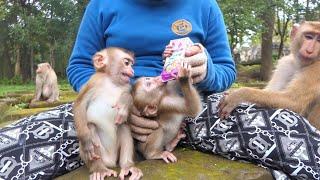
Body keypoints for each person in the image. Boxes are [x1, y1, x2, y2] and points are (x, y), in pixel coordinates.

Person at [0, 1, 317, 180]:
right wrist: (117, 105)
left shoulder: (204, 6)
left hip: (190, 111)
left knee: (293, 134)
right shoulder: (102, 5)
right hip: (109, 115)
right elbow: (80, 65)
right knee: (12, 146)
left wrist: (205, 70)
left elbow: (226, 71)